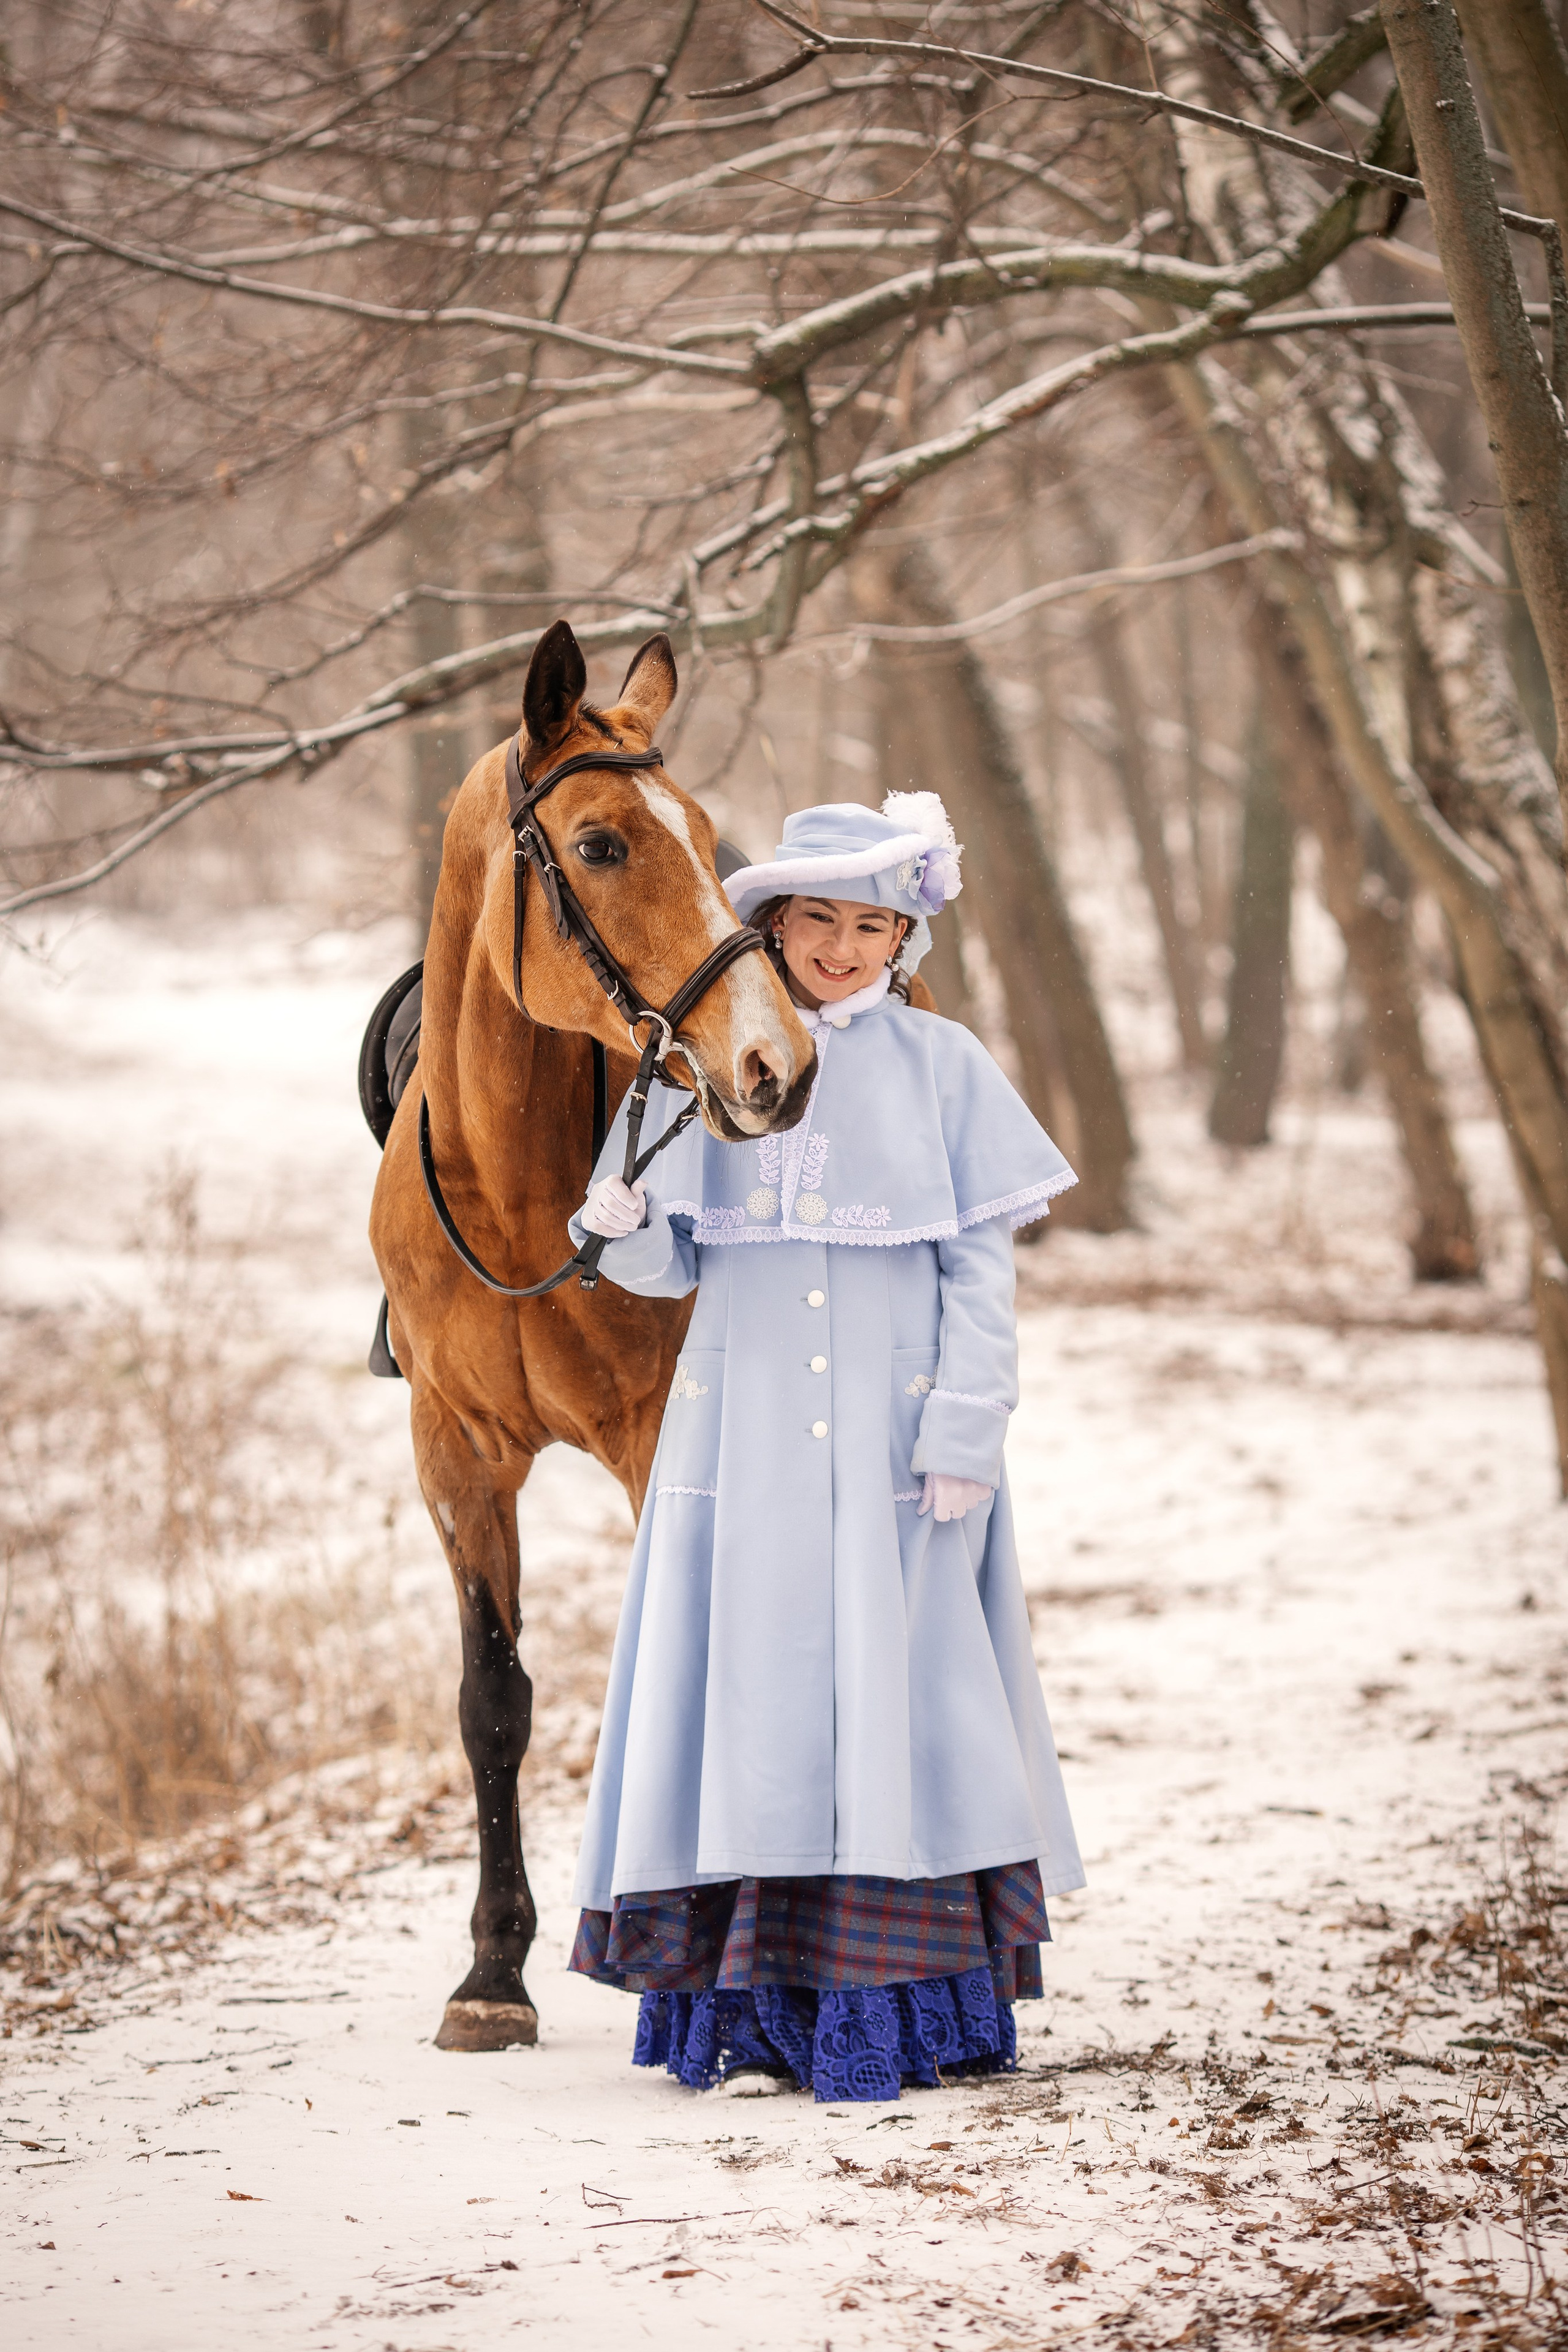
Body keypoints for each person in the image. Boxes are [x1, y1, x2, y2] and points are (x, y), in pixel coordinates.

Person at [565, 793, 1084, 2103]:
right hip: (736, 1441)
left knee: (899, 1702)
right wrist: (618, 1209)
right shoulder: (705, 1058)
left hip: (894, 1441)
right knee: (746, 1703)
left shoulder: (944, 1066)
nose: (841, 949)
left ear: (901, 936)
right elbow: (657, 1257)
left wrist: (964, 1422)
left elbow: (979, 1272)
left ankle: (904, 2003)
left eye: (869, 925)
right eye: (817, 922)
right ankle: (746, 2010)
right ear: (774, 927)